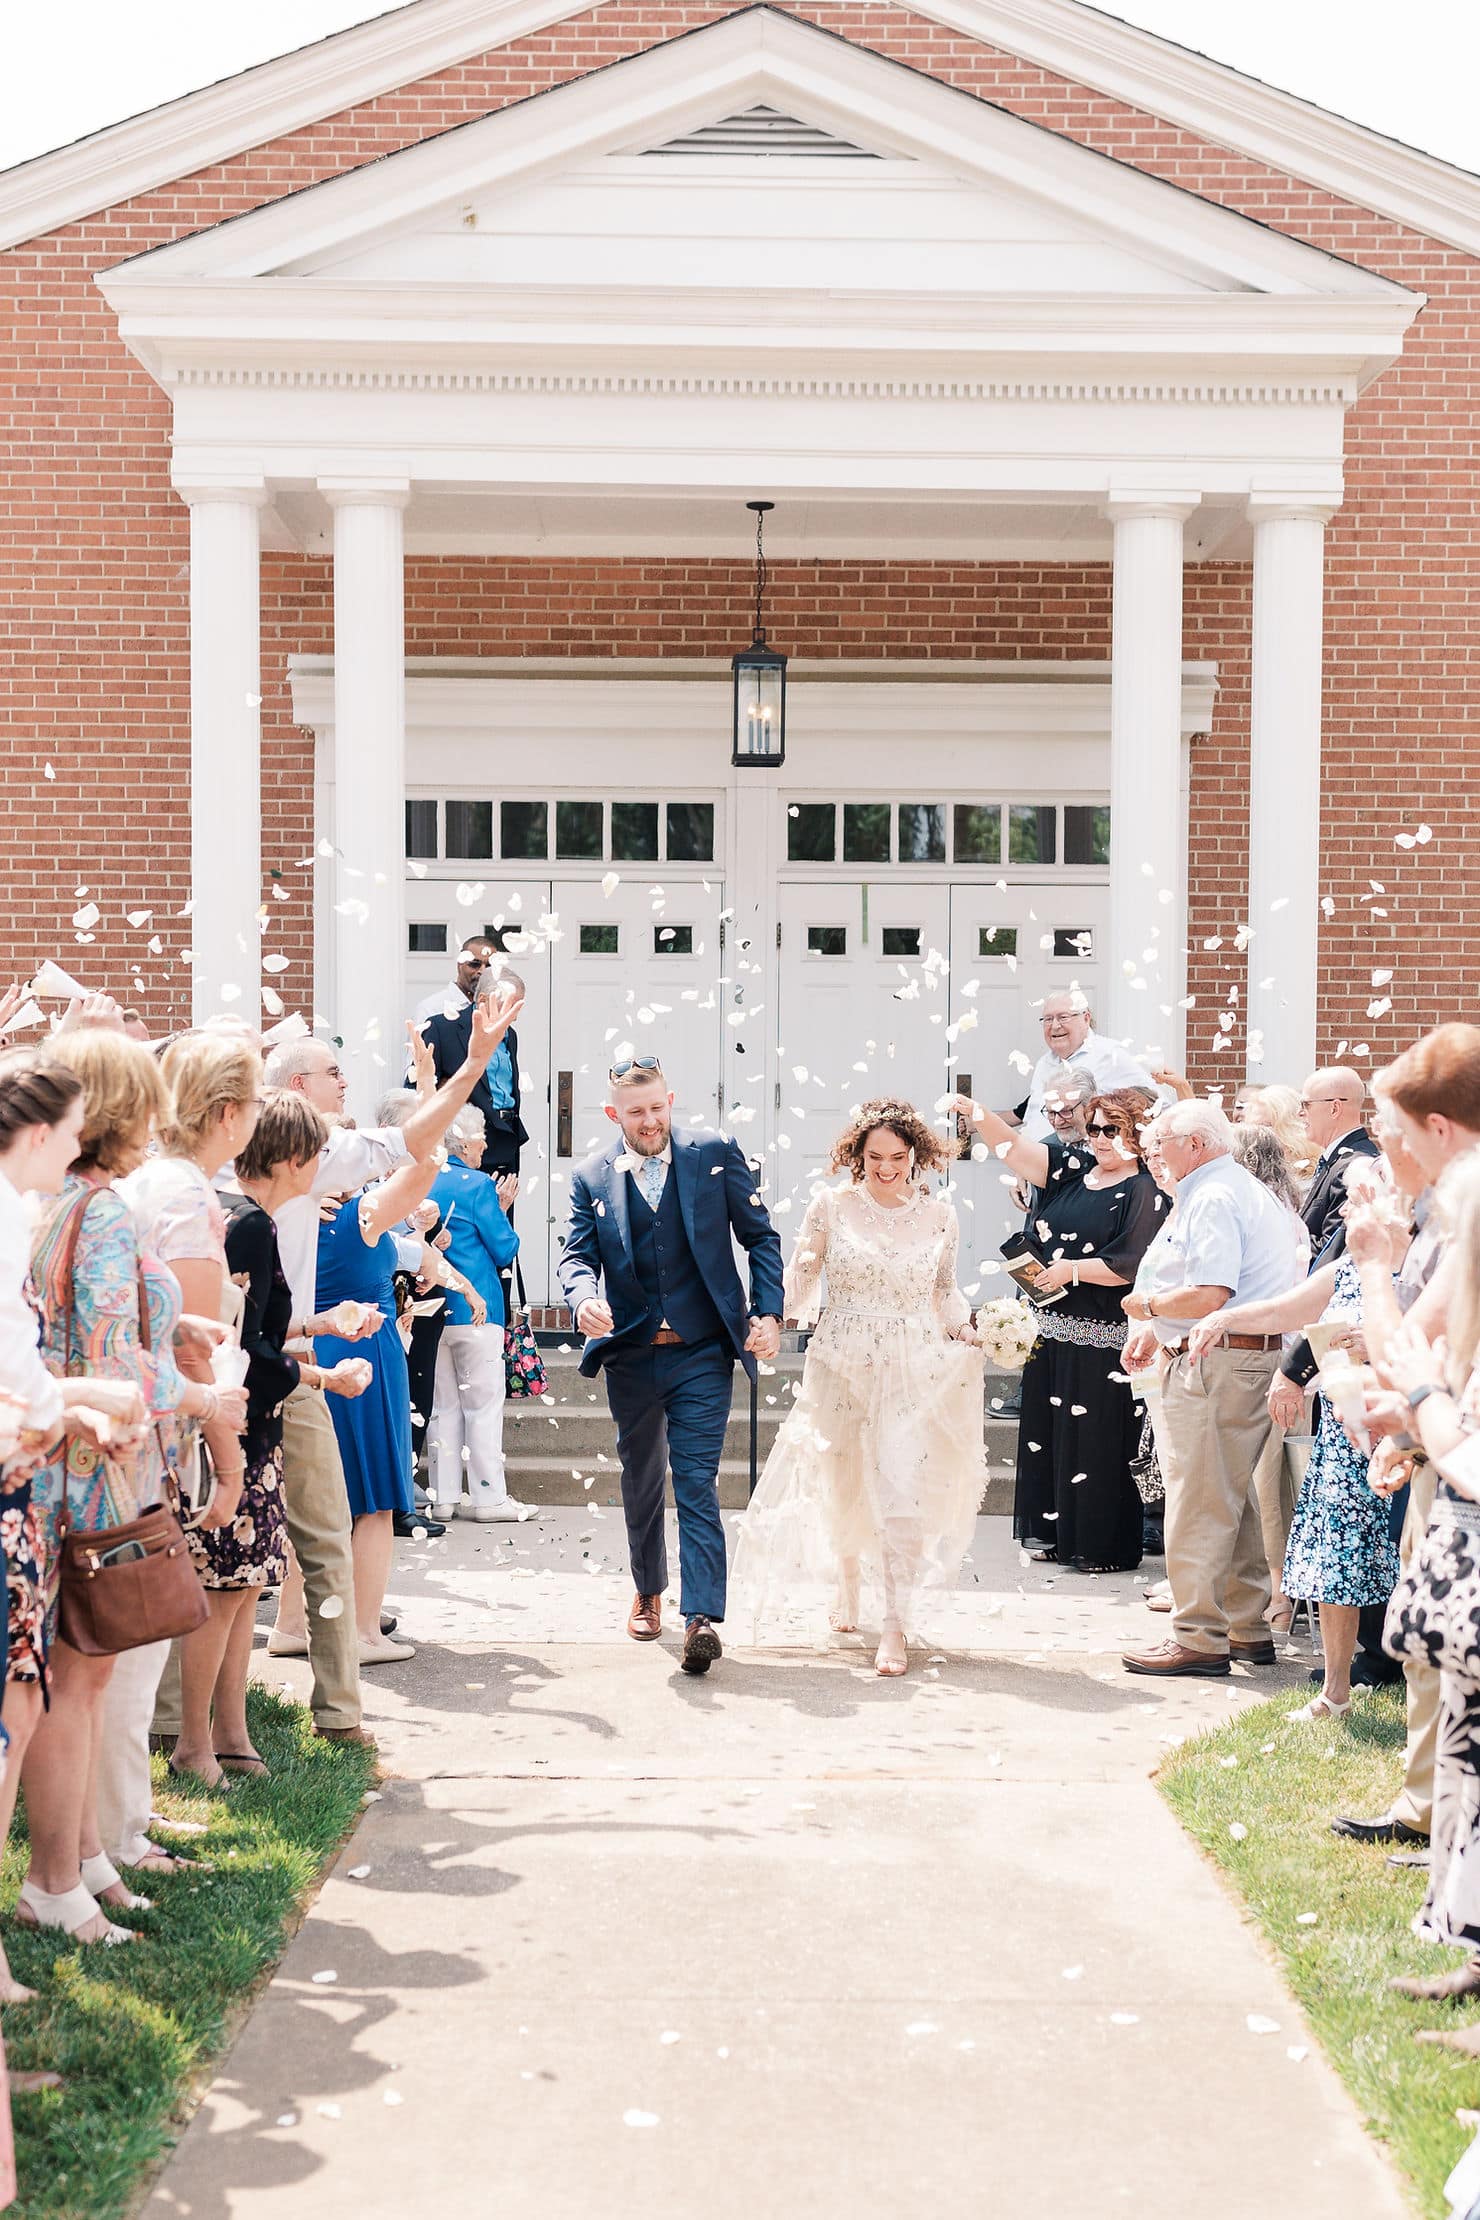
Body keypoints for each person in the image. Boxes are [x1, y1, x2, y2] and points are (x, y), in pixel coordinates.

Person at [259, 997, 518, 1728]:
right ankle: (362, 1633)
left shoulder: (312, 1197)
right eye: (333, 1074)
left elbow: (414, 1221)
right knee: (365, 1501)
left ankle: (292, 1625)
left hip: (302, 1343)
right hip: (351, 1349)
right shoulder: (357, 1208)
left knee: (305, 1500)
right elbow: (418, 1159)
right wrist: (453, 1074)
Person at [21, 1031, 220, 1942]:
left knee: (81, 1684)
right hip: (93, 1473)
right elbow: (104, 1359)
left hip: (73, 1460)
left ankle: (89, 1858)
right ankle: (57, 1880)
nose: (158, 1115)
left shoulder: (66, 1202)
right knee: (78, 1682)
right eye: (144, 1097)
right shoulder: (99, 1212)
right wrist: (198, 1391)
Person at [730, 1101, 983, 1674]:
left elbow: (944, 1289)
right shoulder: (832, 1206)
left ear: (917, 1154)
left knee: (901, 1485)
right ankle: (847, 1582)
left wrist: (966, 1327)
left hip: (913, 1364)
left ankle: (894, 1621)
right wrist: (769, 1322)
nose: (887, 1168)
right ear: (856, 1155)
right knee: (841, 1476)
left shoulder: (940, 1216)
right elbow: (800, 1276)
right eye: (875, 1158)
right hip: (841, 1358)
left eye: (898, 1157)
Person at [557, 1056, 784, 1676]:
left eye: (659, 1107)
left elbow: (761, 1238)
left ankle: (702, 1617)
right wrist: (581, 1299)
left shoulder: (714, 1151)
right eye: (637, 1112)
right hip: (631, 1353)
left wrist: (768, 1313)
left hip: (702, 1351)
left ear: (671, 1100)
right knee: (641, 1478)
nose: (651, 1120)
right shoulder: (589, 1176)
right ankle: (649, 1587)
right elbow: (575, 1256)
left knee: (696, 1480)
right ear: (614, 1115)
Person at [0, 1048, 147, 1992]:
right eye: (74, 1126)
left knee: (29, 1697)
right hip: (28, 1476)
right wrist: (103, 1396)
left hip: (30, 1466)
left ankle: (69, 1873)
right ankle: (59, 1876)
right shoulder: (33, 1212)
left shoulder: (26, 1211)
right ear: (47, 1131)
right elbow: (19, 1374)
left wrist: (78, 1403)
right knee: (27, 1705)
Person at [1335, 1026, 1480, 1868]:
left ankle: (1445, 1825)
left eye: (1392, 1127)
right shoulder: (1447, 1212)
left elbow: (1409, 1354)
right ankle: (1432, 1811)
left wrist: (1375, 1268)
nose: (1382, 1142)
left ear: (1442, 1129)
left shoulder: (1465, 1221)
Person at [1118, 1099, 1299, 1677]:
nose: (1153, 1157)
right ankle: (1245, 1628)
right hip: (1236, 1359)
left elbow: (1210, 1293)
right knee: (1234, 1499)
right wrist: (1158, 1330)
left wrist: (1146, 1306)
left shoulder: (1215, 1195)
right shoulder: (1231, 1188)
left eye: (1159, 1144)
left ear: (1194, 1144)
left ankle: (1198, 1634)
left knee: (1198, 1501)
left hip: (1218, 1361)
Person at [956, 1088, 1165, 1576]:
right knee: (1047, 1437)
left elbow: (1131, 1263)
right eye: (1094, 1129)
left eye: (1112, 1129)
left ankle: (1098, 1544)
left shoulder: (1145, 1188)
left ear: (1136, 1132)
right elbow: (1016, 1151)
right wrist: (979, 1113)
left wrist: (1072, 1271)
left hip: (1102, 1337)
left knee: (1094, 1441)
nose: (1101, 1139)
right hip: (1050, 1331)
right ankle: (1052, 1533)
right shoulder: (1073, 1170)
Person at [427, 1109, 528, 1522]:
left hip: (432, 1309)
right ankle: (489, 1499)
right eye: (482, 1137)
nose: (487, 1145)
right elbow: (505, 1248)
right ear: (464, 1144)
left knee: (441, 1408)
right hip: (478, 1309)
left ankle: (443, 1497)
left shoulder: (422, 1178)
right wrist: (502, 1207)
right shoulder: (479, 1185)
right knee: (483, 1407)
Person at [420, 960, 528, 1190]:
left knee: (501, 1216)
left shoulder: (511, 1035)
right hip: (464, 1143)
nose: (515, 1017)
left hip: (507, 1138)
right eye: (510, 1007)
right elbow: (419, 1089)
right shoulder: (441, 1028)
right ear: (482, 1001)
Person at [1005, 991, 1158, 1141]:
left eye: (1063, 1017)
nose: (1055, 1026)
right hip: (1034, 1160)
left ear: (1086, 1018)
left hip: (1082, 1163)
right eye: (1048, 1019)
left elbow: (1156, 1107)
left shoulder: (1110, 1055)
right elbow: (1029, 1114)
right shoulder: (1044, 1063)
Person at [1295, 1067, 1381, 1262]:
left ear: (1334, 1108)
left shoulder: (1355, 1166)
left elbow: (1331, 1250)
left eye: (1306, 1104)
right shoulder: (1337, 1160)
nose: (1300, 1113)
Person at [1237, 1084, 1313, 1193]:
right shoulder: (1246, 1177)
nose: (1256, 1137)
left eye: (1266, 1127)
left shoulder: (1316, 1179)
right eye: (1253, 1128)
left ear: (1292, 1129)